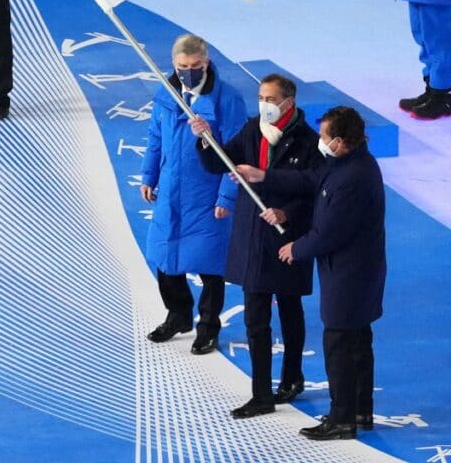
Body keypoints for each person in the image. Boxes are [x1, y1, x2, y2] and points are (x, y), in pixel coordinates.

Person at [235, 106, 386, 441]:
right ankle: (361, 410)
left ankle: (342, 419)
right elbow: (309, 179)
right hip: (357, 273)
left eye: (325, 137)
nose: (320, 141)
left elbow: (330, 232)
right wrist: (264, 175)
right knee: (358, 341)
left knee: (340, 345)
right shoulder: (349, 164)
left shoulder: (352, 179)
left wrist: (296, 248)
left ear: (342, 141)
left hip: (349, 276)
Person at [190, 74, 321, 419]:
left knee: (290, 311)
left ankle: (292, 378)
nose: (264, 104)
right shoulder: (253, 130)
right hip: (252, 240)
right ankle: (261, 393)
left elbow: (314, 191)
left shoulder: (308, 142)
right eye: (261, 97)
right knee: (256, 318)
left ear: (288, 101)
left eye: (270, 98)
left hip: (288, 239)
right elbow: (220, 162)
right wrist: (205, 139)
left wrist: (285, 213)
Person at [141, 34, 247, 355]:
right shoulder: (166, 92)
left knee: (209, 267)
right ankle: (178, 315)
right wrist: (150, 174)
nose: (188, 71)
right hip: (171, 194)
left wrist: (227, 197)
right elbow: (155, 137)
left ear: (207, 62)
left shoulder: (227, 101)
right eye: (182, 66)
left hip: (207, 196)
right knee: (164, 258)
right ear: (174, 64)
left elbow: (237, 153)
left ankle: (208, 327)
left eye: (195, 66)